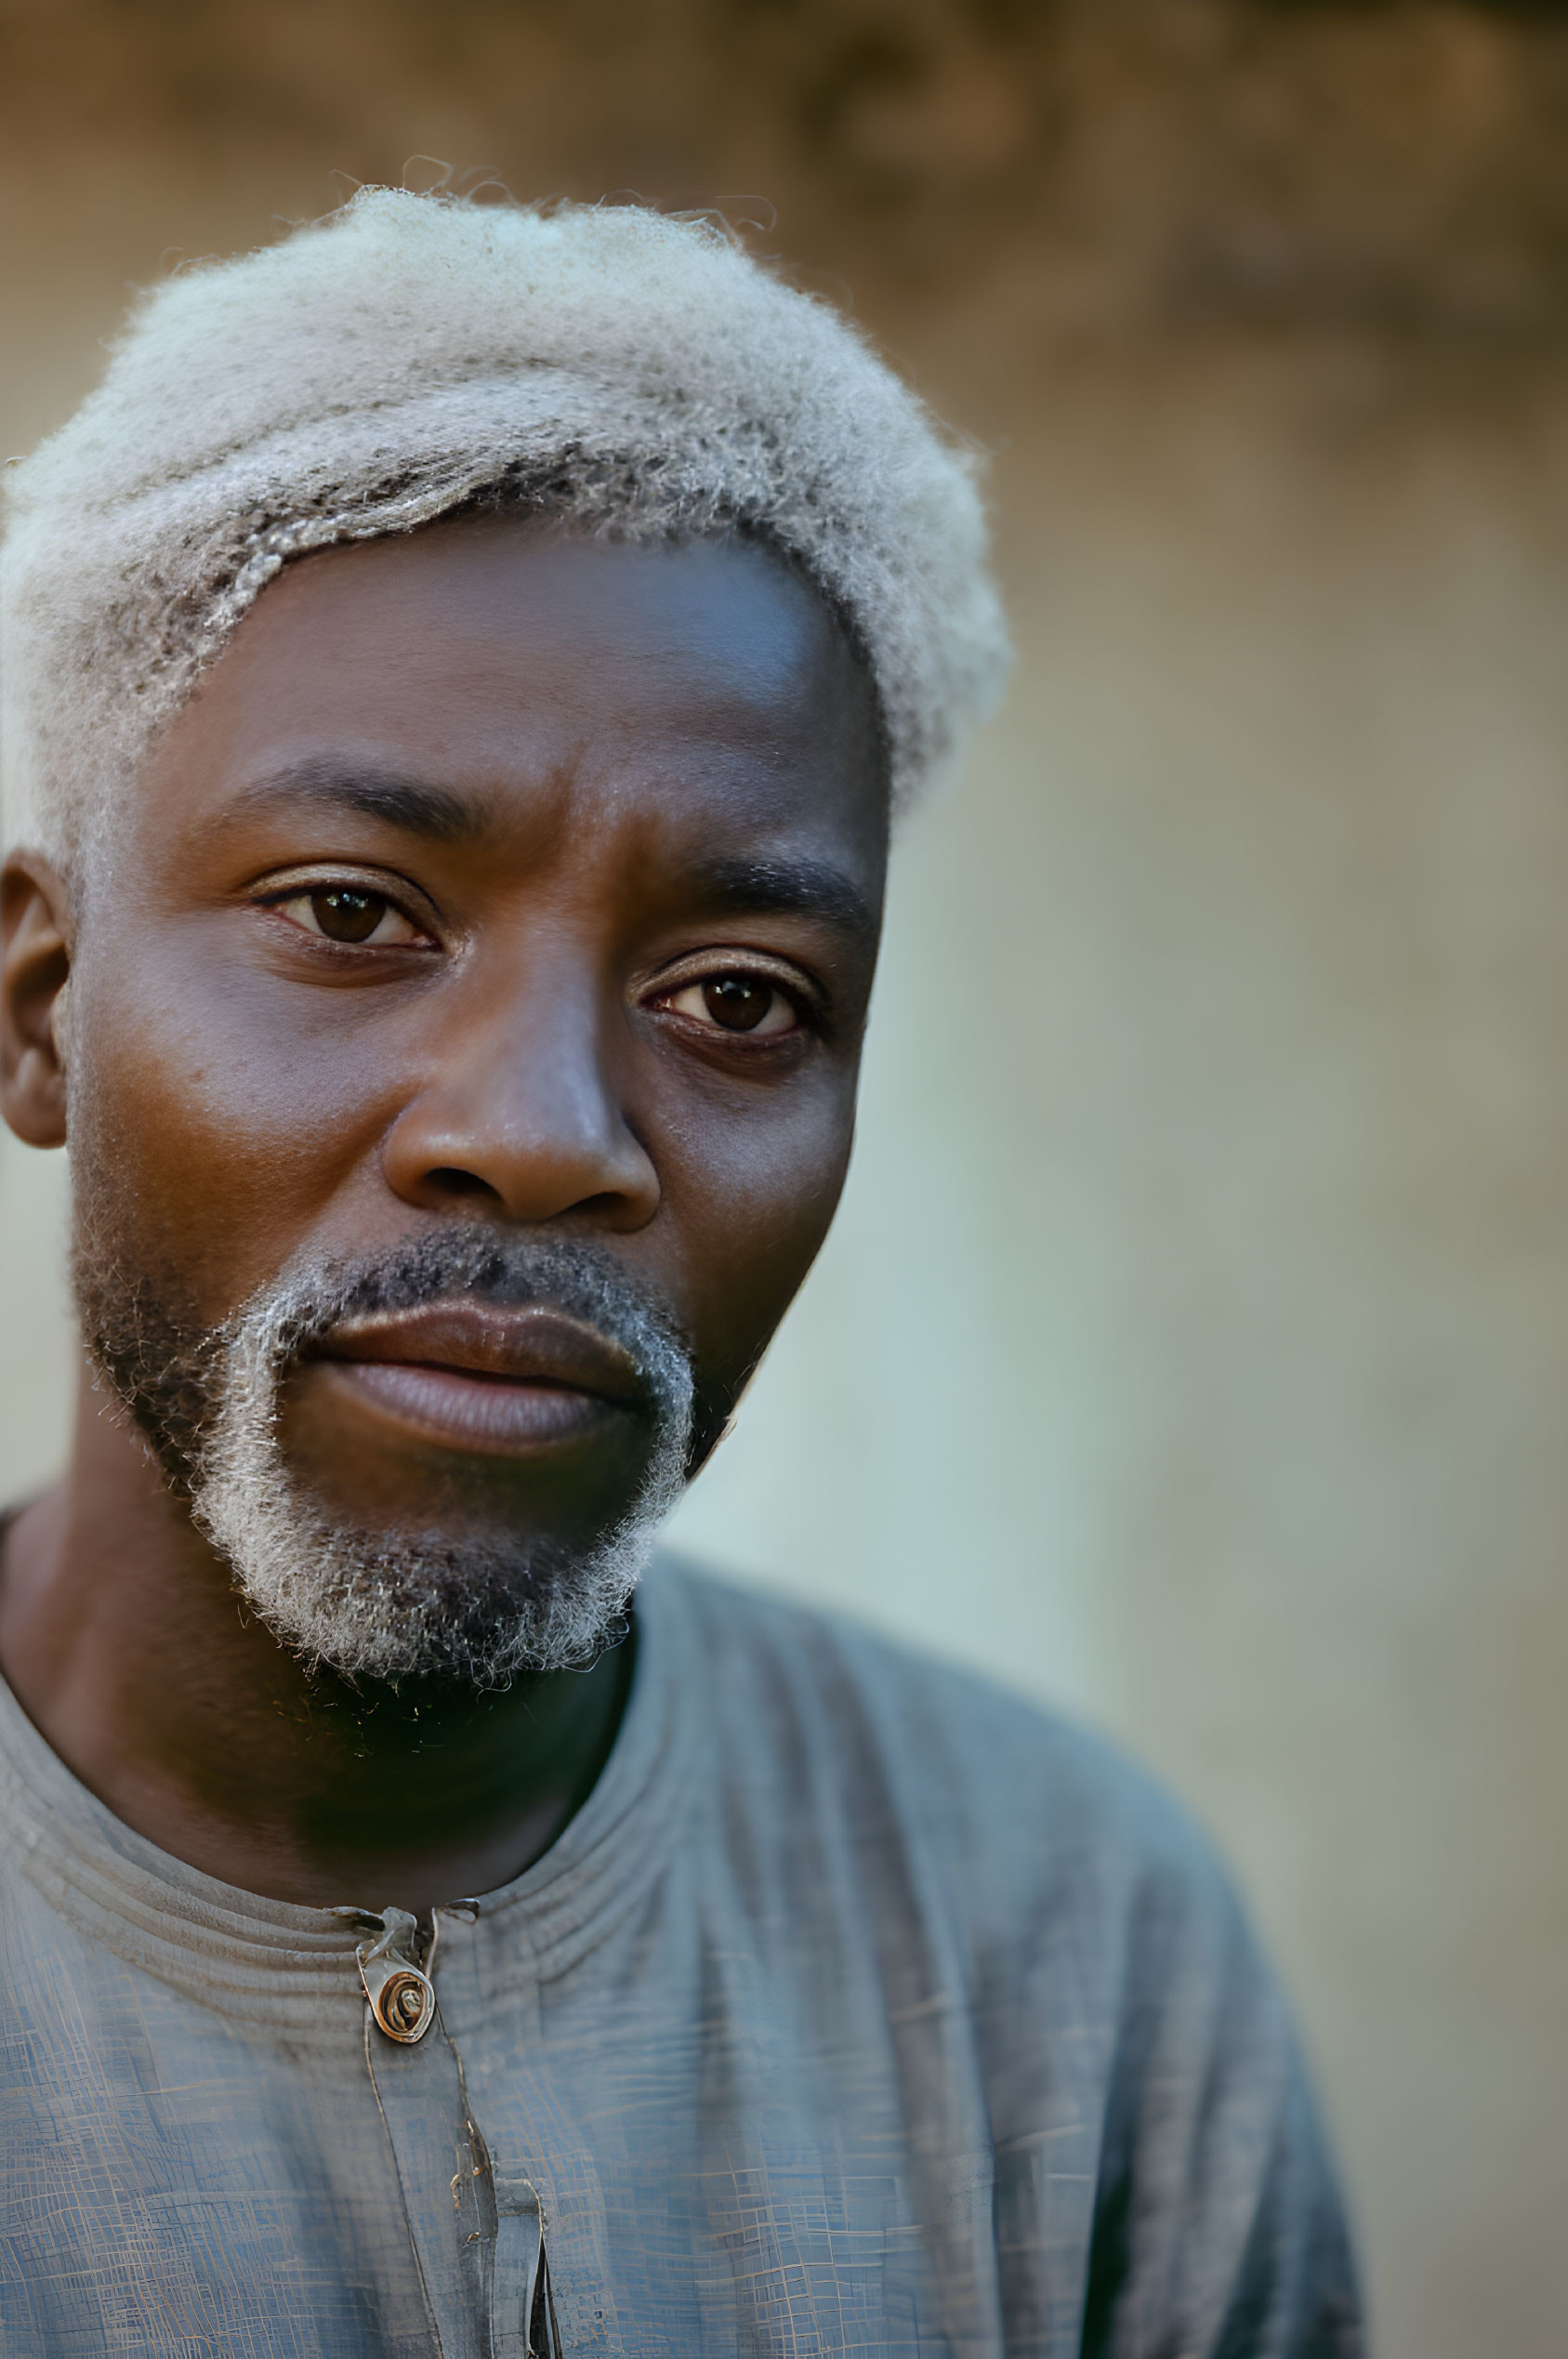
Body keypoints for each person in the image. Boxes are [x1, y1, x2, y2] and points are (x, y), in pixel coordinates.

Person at [0, 190, 1362, 2357]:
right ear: (44, 1015)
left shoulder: (1071, 1969)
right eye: (355, 915)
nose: (543, 1132)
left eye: (737, 996)